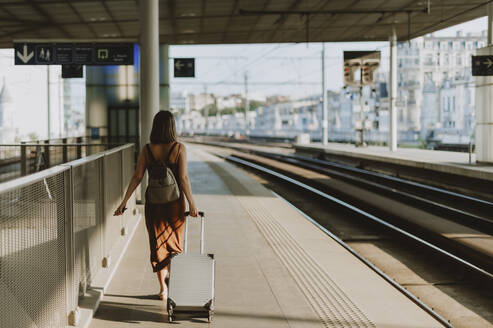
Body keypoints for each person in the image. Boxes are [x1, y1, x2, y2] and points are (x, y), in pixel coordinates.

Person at [114, 110, 198, 301]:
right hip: (174, 204)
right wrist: (192, 204)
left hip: (154, 204)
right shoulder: (179, 148)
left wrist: (124, 202)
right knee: (174, 244)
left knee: (157, 245)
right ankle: (174, 282)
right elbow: (183, 178)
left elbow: (137, 177)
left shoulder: (147, 149)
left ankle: (163, 289)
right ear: (172, 126)